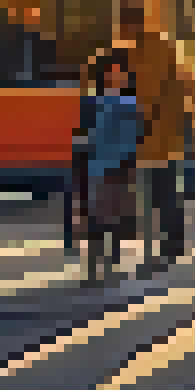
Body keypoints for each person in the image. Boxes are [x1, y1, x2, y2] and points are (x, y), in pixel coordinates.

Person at [119, 0, 195, 279]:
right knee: (166, 192)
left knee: (159, 193)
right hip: (166, 131)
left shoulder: (148, 49)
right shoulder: (155, 44)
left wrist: (136, 124)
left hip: (157, 133)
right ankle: (171, 244)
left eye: (124, 25)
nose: (122, 32)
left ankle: (166, 247)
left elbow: (148, 95)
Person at [74, 50, 146, 284]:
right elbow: (82, 135)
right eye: (110, 72)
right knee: (97, 217)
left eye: (119, 72)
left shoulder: (132, 103)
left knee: (115, 217)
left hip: (121, 166)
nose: (115, 76)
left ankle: (111, 264)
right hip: (99, 167)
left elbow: (139, 135)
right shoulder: (94, 102)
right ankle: (95, 268)